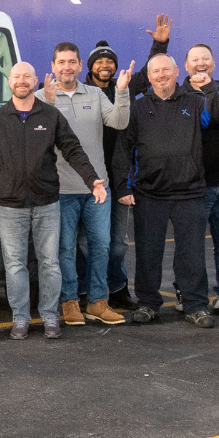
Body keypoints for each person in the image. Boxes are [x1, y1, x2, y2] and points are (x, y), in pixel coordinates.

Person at [130, 14, 219, 316]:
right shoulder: (157, 99)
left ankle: (210, 300)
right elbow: (149, 77)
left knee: (206, 250)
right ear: (184, 67)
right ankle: (164, 300)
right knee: (161, 251)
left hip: (206, 186)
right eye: (194, 60)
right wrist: (159, 45)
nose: (200, 64)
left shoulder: (213, 94)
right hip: (165, 187)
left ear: (212, 62)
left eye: (205, 59)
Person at [0, 62, 105, 339]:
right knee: (15, 264)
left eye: (27, 77)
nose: (22, 81)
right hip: (10, 205)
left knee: (49, 262)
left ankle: (49, 316)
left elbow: (73, 150)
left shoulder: (51, 115)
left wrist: (92, 180)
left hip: (47, 203)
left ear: (37, 81)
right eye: (17, 77)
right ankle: (20, 317)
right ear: (10, 82)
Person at [116, 54, 219, 328]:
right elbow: (123, 150)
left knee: (191, 254)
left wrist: (210, 89)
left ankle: (195, 306)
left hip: (189, 192)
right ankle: (148, 304)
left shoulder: (196, 101)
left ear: (178, 72)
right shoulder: (138, 108)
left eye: (166, 70)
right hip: (149, 194)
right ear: (150, 76)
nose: (161, 75)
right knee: (147, 253)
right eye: (156, 71)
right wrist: (123, 185)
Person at [36, 42, 130, 327]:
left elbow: (119, 122)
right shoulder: (41, 97)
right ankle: (69, 302)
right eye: (61, 62)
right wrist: (49, 104)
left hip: (96, 188)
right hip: (61, 189)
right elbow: (38, 138)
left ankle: (98, 302)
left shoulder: (96, 93)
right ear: (53, 66)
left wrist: (123, 90)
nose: (67, 67)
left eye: (72, 62)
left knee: (100, 246)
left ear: (79, 66)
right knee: (64, 249)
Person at [84, 42, 136, 313]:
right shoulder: (79, 94)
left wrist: (160, 43)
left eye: (110, 62)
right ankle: (85, 292)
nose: (105, 66)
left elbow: (153, 74)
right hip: (88, 179)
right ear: (90, 66)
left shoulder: (122, 90)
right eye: (100, 62)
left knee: (116, 243)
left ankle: (117, 289)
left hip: (117, 180)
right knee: (86, 242)